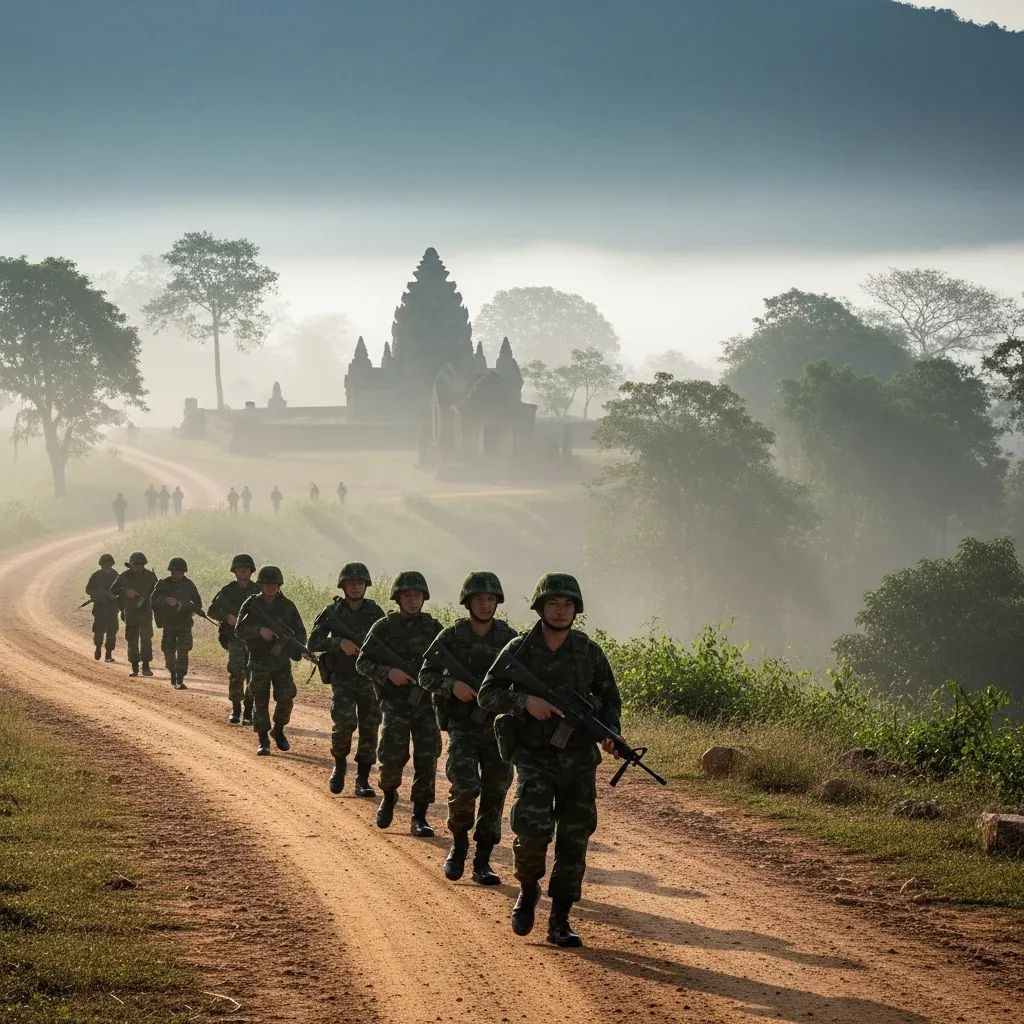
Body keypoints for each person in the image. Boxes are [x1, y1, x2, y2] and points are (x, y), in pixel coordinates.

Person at [478, 573, 622, 949]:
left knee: (575, 839)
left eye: (568, 605)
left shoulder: (588, 651)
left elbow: (610, 701)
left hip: (578, 760)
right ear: (541, 607)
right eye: (554, 604)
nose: (561, 611)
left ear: (577, 610)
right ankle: (527, 891)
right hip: (533, 757)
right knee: (532, 831)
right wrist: (526, 702)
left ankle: (560, 918)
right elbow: (487, 693)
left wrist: (610, 733)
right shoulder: (519, 649)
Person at [419, 571, 516, 886]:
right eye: (479, 599)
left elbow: (524, 682)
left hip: (499, 727)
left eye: (490, 599)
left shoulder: (509, 638)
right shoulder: (452, 636)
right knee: (464, 786)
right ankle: (459, 842)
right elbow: (425, 674)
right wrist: (453, 684)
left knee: (495, 791)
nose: (486, 605)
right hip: (463, 724)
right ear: (468, 602)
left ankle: (483, 860)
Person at [355, 571, 442, 837]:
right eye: (407, 595)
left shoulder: (434, 629)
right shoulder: (383, 627)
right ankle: (390, 795)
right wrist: (387, 673)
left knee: (427, 760)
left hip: (426, 705)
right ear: (398, 598)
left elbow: (447, 666)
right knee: (392, 758)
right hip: (395, 704)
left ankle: (419, 816)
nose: (413, 600)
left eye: (417, 595)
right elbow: (363, 662)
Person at [308, 562, 385, 797]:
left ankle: (362, 778)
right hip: (343, 677)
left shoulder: (375, 612)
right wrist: (339, 643)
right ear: (343, 585)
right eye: (351, 583)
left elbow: (386, 642)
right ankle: (339, 766)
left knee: (370, 727)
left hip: (369, 679)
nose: (355, 587)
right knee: (343, 724)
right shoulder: (333, 612)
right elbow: (313, 642)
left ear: (366, 585)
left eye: (360, 582)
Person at [235, 565, 308, 756]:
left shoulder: (288, 606)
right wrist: (259, 631)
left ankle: (278, 729)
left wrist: (299, 648)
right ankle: (263, 739)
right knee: (260, 700)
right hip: (259, 660)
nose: (270, 587)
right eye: (266, 584)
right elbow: (239, 630)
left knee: (286, 698)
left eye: (273, 584)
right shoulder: (251, 604)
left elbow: (300, 632)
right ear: (260, 584)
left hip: (281, 662)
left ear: (279, 585)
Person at [207, 554, 261, 724]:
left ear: (251, 571)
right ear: (234, 571)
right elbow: (212, 611)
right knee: (236, 672)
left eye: (246, 568)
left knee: (253, 674)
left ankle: (249, 711)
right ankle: (236, 709)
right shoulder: (227, 591)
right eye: (239, 568)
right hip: (235, 638)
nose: (243, 571)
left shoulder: (260, 590)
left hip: (255, 639)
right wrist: (227, 616)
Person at [151, 557, 204, 690]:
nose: (176, 574)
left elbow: (197, 604)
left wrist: (185, 607)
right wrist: (166, 600)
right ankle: (172, 672)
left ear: (184, 572)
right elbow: (153, 600)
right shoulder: (163, 584)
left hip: (184, 623)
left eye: (179, 572)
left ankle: (179, 678)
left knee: (183, 651)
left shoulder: (189, 585)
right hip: (168, 623)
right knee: (169, 652)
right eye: (174, 571)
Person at [111, 552, 158, 677]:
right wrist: (126, 591)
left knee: (146, 639)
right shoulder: (124, 576)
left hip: (146, 612)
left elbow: (158, 593)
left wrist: (146, 599)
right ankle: (134, 666)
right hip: (130, 612)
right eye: (136, 565)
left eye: (141, 565)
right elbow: (113, 590)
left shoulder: (150, 576)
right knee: (132, 639)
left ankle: (146, 666)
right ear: (131, 564)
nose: (138, 567)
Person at [85, 553, 120, 662]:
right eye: (105, 563)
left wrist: (112, 596)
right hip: (100, 607)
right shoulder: (97, 575)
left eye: (107, 563)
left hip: (111, 607)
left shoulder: (116, 576)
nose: (106, 565)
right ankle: (99, 648)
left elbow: (120, 591)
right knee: (100, 630)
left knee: (111, 631)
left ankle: (108, 653)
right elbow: (88, 590)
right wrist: (99, 594)